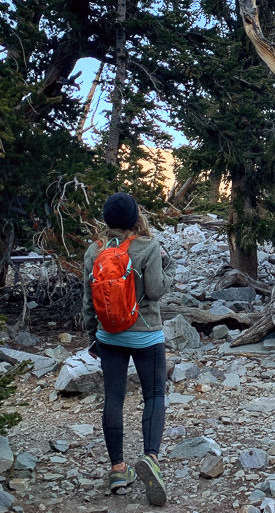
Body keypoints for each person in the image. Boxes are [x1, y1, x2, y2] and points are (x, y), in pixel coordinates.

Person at [82, 192, 174, 506]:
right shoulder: (148, 247)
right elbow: (156, 291)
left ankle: (118, 470)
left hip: (109, 336)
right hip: (146, 335)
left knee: (114, 397)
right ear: (136, 218)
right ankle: (151, 458)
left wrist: (92, 336)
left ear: (107, 219)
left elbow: (88, 300)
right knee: (155, 395)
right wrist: (169, 268)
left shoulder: (94, 250)